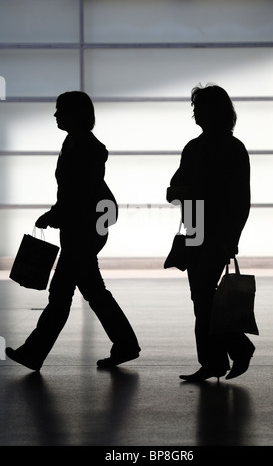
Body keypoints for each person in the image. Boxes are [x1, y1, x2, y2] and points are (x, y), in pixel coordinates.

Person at [6, 91, 141, 371]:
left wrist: (55, 214)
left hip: (81, 229)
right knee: (92, 292)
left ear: (75, 114)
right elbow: (78, 191)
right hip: (85, 228)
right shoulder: (78, 143)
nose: (55, 115)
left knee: (62, 295)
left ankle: (34, 352)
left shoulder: (82, 147)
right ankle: (125, 344)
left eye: (60, 110)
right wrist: (57, 214)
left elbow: (78, 192)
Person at [166, 83, 254, 382]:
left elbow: (177, 187)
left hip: (203, 230)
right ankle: (226, 353)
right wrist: (232, 237)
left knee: (201, 296)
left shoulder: (198, 148)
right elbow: (240, 200)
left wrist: (227, 237)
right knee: (202, 296)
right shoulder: (230, 148)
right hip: (211, 231)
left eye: (199, 109)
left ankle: (226, 354)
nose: (195, 115)